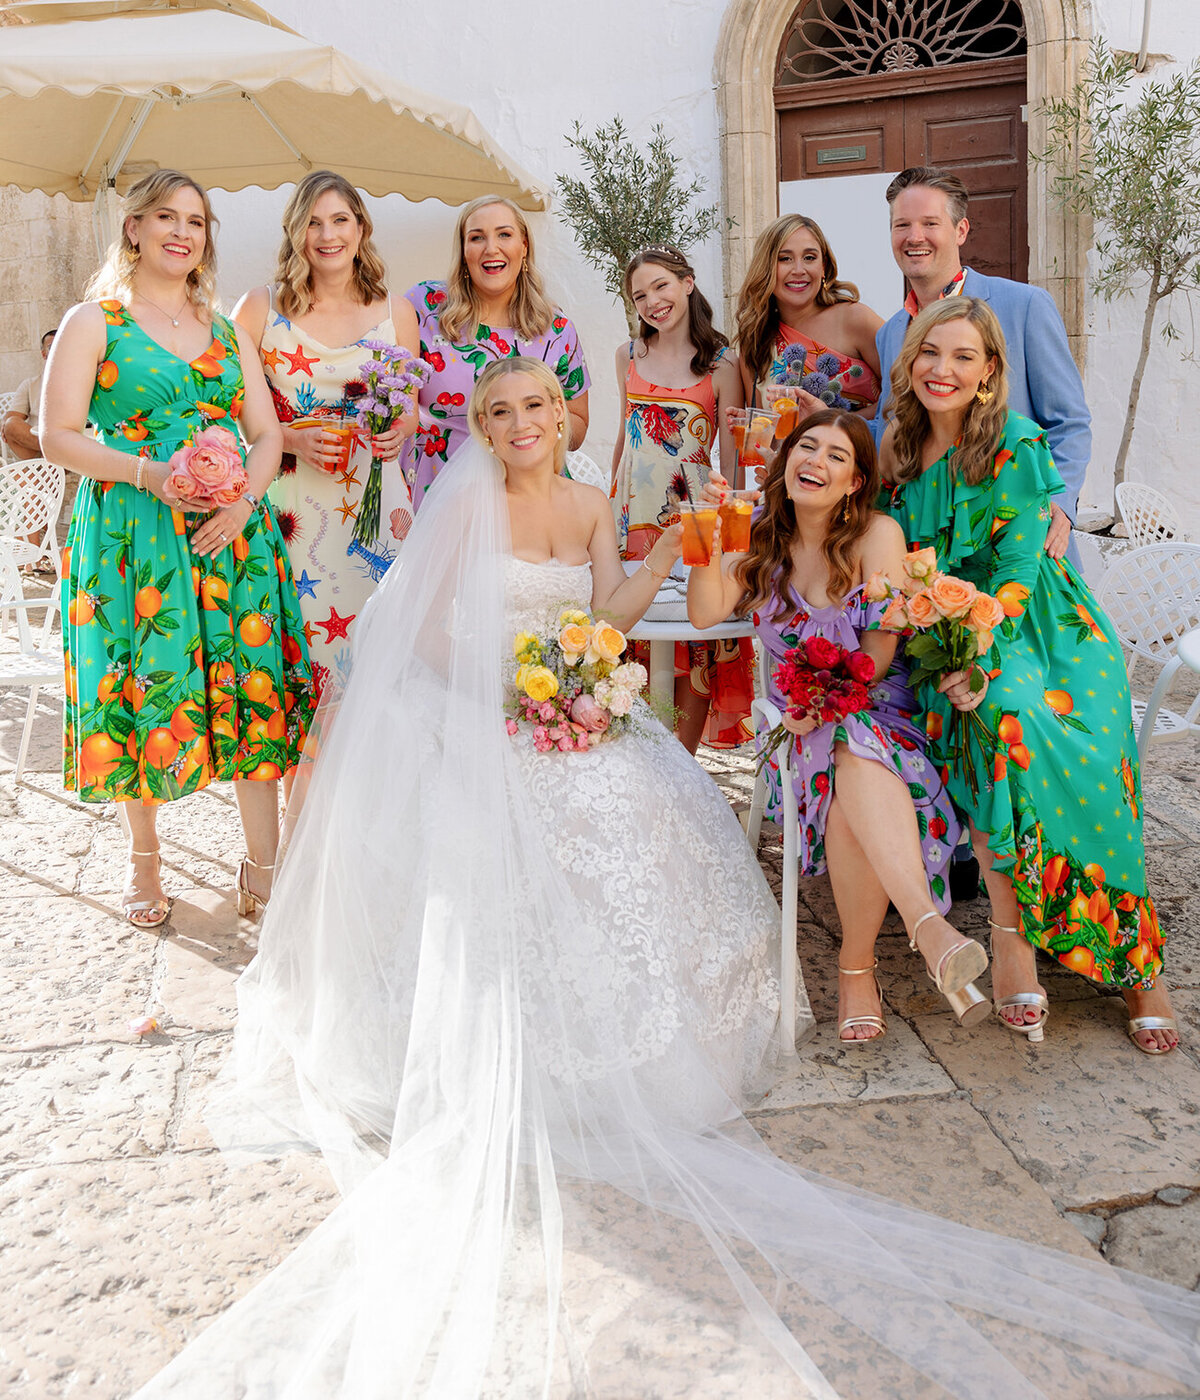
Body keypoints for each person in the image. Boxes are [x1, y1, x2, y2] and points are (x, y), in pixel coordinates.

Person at [129, 369, 1200, 1399]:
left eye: (536, 407)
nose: (519, 425)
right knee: (524, 829)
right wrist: (517, 704)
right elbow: (433, 638)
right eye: (499, 413)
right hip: (481, 706)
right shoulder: (462, 513)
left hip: (575, 695)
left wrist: (631, 605)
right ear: (484, 427)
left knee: (636, 807)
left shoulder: (597, 501)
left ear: (560, 414)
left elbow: (613, 604)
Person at [881, 296, 1177, 1054]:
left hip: (1042, 631)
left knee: (1032, 720)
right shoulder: (895, 450)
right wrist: (946, 653)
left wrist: (975, 659)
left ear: (988, 376)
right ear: (910, 361)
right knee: (991, 722)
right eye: (930, 353)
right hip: (942, 631)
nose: (942, 370)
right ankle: (1013, 937)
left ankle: (1135, 958)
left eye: (963, 358)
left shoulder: (1014, 442)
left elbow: (1014, 575)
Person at [40, 170, 314, 927]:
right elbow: (55, 435)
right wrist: (149, 473)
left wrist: (245, 502)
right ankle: (144, 858)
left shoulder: (225, 331)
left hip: (232, 536)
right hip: (132, 536)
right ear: (133, 227)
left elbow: (266, 436)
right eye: (166, 216)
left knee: (248, 682)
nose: (182, 232)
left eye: (196, 221)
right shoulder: (94, 321)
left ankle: (262, 866)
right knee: (142, 684)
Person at [688, 411, 983, 1041]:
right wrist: (707, 539)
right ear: (786, 460)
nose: (815, 461)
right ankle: (922, 932)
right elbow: (706, 611)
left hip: (884, 716)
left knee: (852, 747)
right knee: (845, 753)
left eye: (836, 456)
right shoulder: (758, 541)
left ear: (854, 482)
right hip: (797, 729)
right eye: (806, 446)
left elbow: (876, 657)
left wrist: (823, 706)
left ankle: (860, 965)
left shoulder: (878, 534)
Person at [232, 171, 420, 703]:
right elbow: (221, 402)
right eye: (313, 222)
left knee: (382, 661)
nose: (327, 234)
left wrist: (397, 431)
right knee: (295, 664)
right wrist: (288, 440)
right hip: (288, 509)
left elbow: (410, 407)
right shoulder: (259, 308)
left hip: (374, 508)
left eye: (339, 219)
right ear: (296, 232)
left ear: (361, 228)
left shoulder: (395, 312)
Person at [875, 167, 1090, 564]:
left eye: (929, 223)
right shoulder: (889, 333)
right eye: (901, 224)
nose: (914, 236)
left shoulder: (1025, 307)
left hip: (1019, 546)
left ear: (960, 231)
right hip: (928, 550)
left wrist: (1058, 503)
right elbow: (893, 428)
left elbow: (1070, 422)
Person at [611, 244, 752, 751]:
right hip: (631, 521)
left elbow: (734, 458)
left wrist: (735, 542)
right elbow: (622, 442)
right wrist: (609, 521)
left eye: (661, 286)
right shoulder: (629, 355)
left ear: (688, 283)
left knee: (692, 645)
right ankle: (637, 758)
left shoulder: (722, 364)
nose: (652, 301)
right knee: (634, 640)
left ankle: (683, 767)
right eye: (639, 295)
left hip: (690, 512)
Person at [403, 196, 590, 508]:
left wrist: (529, 432)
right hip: (440, 492)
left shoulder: (556, 329)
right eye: (477, 237)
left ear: (524, 246)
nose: (491, 248)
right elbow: (397, 398)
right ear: (463, 252)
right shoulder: (425, 307)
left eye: (504, 234)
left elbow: (578, 425)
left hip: (529, 496)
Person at [735, 213, 883, 417]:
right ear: (767, 268)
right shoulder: (755, 340)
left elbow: (904, 394)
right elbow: (764, 426)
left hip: (862, 446)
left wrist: (831, 424)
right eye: (785, 258)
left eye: (809, 258)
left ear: (824, 267)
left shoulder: (855, 319)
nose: (799, 269)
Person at [3, 326, 56, 461]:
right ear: (44, 354)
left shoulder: (80, 381)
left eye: (61, 345)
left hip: (68, 440)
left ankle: (50, 462)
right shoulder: (30, 384)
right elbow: (10, 419)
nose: (57, 350)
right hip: (35, 446)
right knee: (11, 424)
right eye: (51, 347)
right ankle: (54, 453)